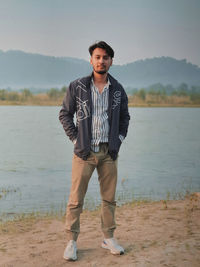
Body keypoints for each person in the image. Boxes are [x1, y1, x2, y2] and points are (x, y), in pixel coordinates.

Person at [59, 41, 130, 261]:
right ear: (91, 60)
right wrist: (75, 139)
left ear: (111, 61)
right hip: (84, 153)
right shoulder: (77, 86)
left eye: (105, 57)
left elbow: (124, 118)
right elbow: (64, 114)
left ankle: (108, 238)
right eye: (97, 57)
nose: (101, 61)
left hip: (109, 153)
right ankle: (71, 242)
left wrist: (117, 140)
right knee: (75, 199)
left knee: (109, 199)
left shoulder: (117, 89)